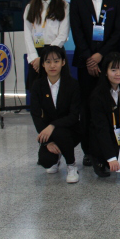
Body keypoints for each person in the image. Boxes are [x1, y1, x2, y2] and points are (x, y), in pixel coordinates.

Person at [69, 0, 120, 167]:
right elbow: (77, 32)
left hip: (108, 63)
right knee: (87, 108)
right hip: (86, 64)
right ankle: (88, 151)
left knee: (108, 107)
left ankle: (110, 149)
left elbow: (117, 32)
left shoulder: (115, 2)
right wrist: (90, 59)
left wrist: (101, 55)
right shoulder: (77, 2)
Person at [29, 45, 81, 184]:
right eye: (48, 62)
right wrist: (48, 141)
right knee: (46, 161)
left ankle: (71, 165)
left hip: (71, 130)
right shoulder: (37, 85)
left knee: (60, 132)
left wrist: (52, 126)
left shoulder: (72, 85)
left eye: (56, 61)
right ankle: (56, 157)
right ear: (43, 64)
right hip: (49, 133)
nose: (52, 65)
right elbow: (35, 115)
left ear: (63, 62)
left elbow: (74, 116)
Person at [23, 0, 69, 93]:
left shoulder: (64, 6)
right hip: (36, 56)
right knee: (38, 92)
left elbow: (63, 35)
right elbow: (27, 35)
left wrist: (46, 58)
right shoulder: (30, 7)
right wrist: (35, 58)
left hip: (56, 54)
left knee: (60, 92)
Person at [88, 52, 120, 178]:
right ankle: (99, 158)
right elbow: (101, 129)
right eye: (113, 70)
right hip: (103, 138)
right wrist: (111, 158)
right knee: (109, 163)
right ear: (105, 72)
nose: (118, 74)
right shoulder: (97, 96)